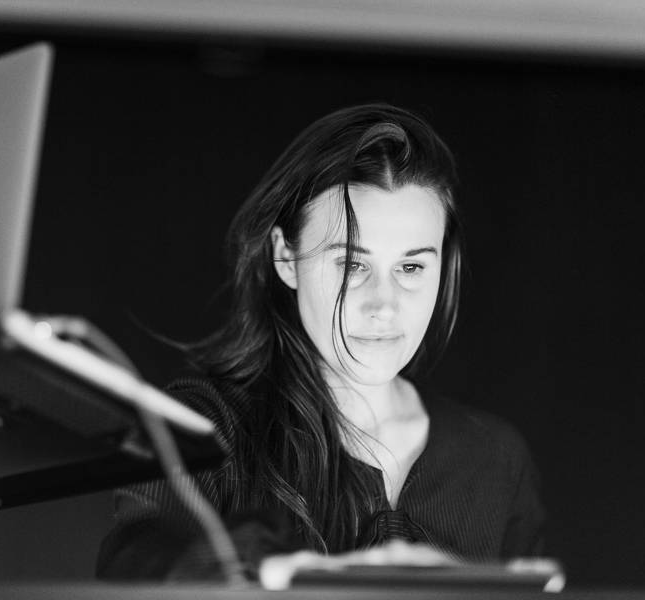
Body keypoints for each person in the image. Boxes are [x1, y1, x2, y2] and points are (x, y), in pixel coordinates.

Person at [96, 103, 545, 585]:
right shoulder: (204, 427)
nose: (384, 305)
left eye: (411, 267)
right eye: (352, 264)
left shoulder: (495, 457)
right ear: (285, 258)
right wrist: (275, 571)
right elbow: (133, 565)